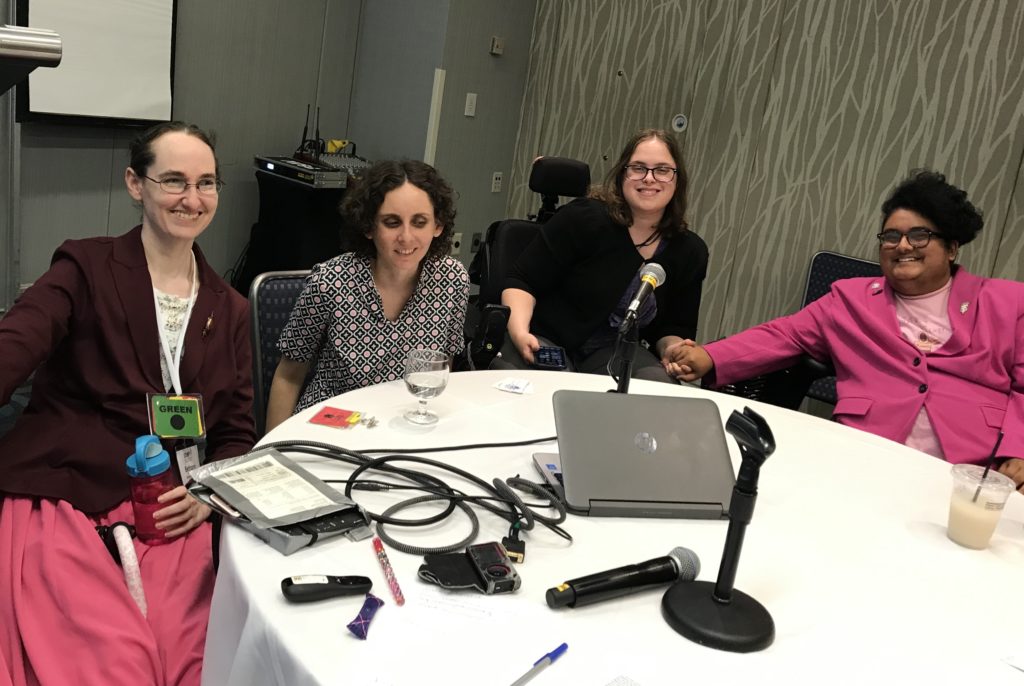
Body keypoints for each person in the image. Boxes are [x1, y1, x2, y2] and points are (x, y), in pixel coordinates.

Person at [0, 122, 257, 685]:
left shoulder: (230, 307)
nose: (192, 199)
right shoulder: (85, 268)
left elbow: (237, 428)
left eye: (206, 183)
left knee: (190, 663)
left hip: (169, 505)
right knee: (112, 663)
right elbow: (15, 344)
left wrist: (210, 495)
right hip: (68, 488)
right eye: (173, 181)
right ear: (134, 184)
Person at [670, 170, 1024, 489]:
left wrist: (1019, 451)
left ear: (951, 247)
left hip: (972, 475)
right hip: (865, 459)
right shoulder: (851, 299)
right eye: (891, 236)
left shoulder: (1007, 303)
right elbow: (786, 334)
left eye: (919, 236)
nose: (902, 246)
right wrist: (709, 356)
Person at [265, 159, 469, 432]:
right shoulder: (331, 281)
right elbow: (289, 377)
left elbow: (442, 368)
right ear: (369, 227)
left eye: (419, 222)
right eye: (392, 222)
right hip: (331, 429)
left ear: (438, 226)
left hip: (406, 430)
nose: (406, 238)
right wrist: (273, 453)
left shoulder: (452, 281)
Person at [501, 128, 709, 382]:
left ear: (678, 180)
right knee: (548, 393)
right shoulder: (584, 219)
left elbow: (673, 329)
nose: (650, 178)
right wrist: (520, 333)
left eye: (663, 170)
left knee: (658, 392)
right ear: (622, 174)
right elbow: (521, 282)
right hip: (547, 338)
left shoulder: (689, 251)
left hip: (613, 350)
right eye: (638, 168)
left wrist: (673, 349)